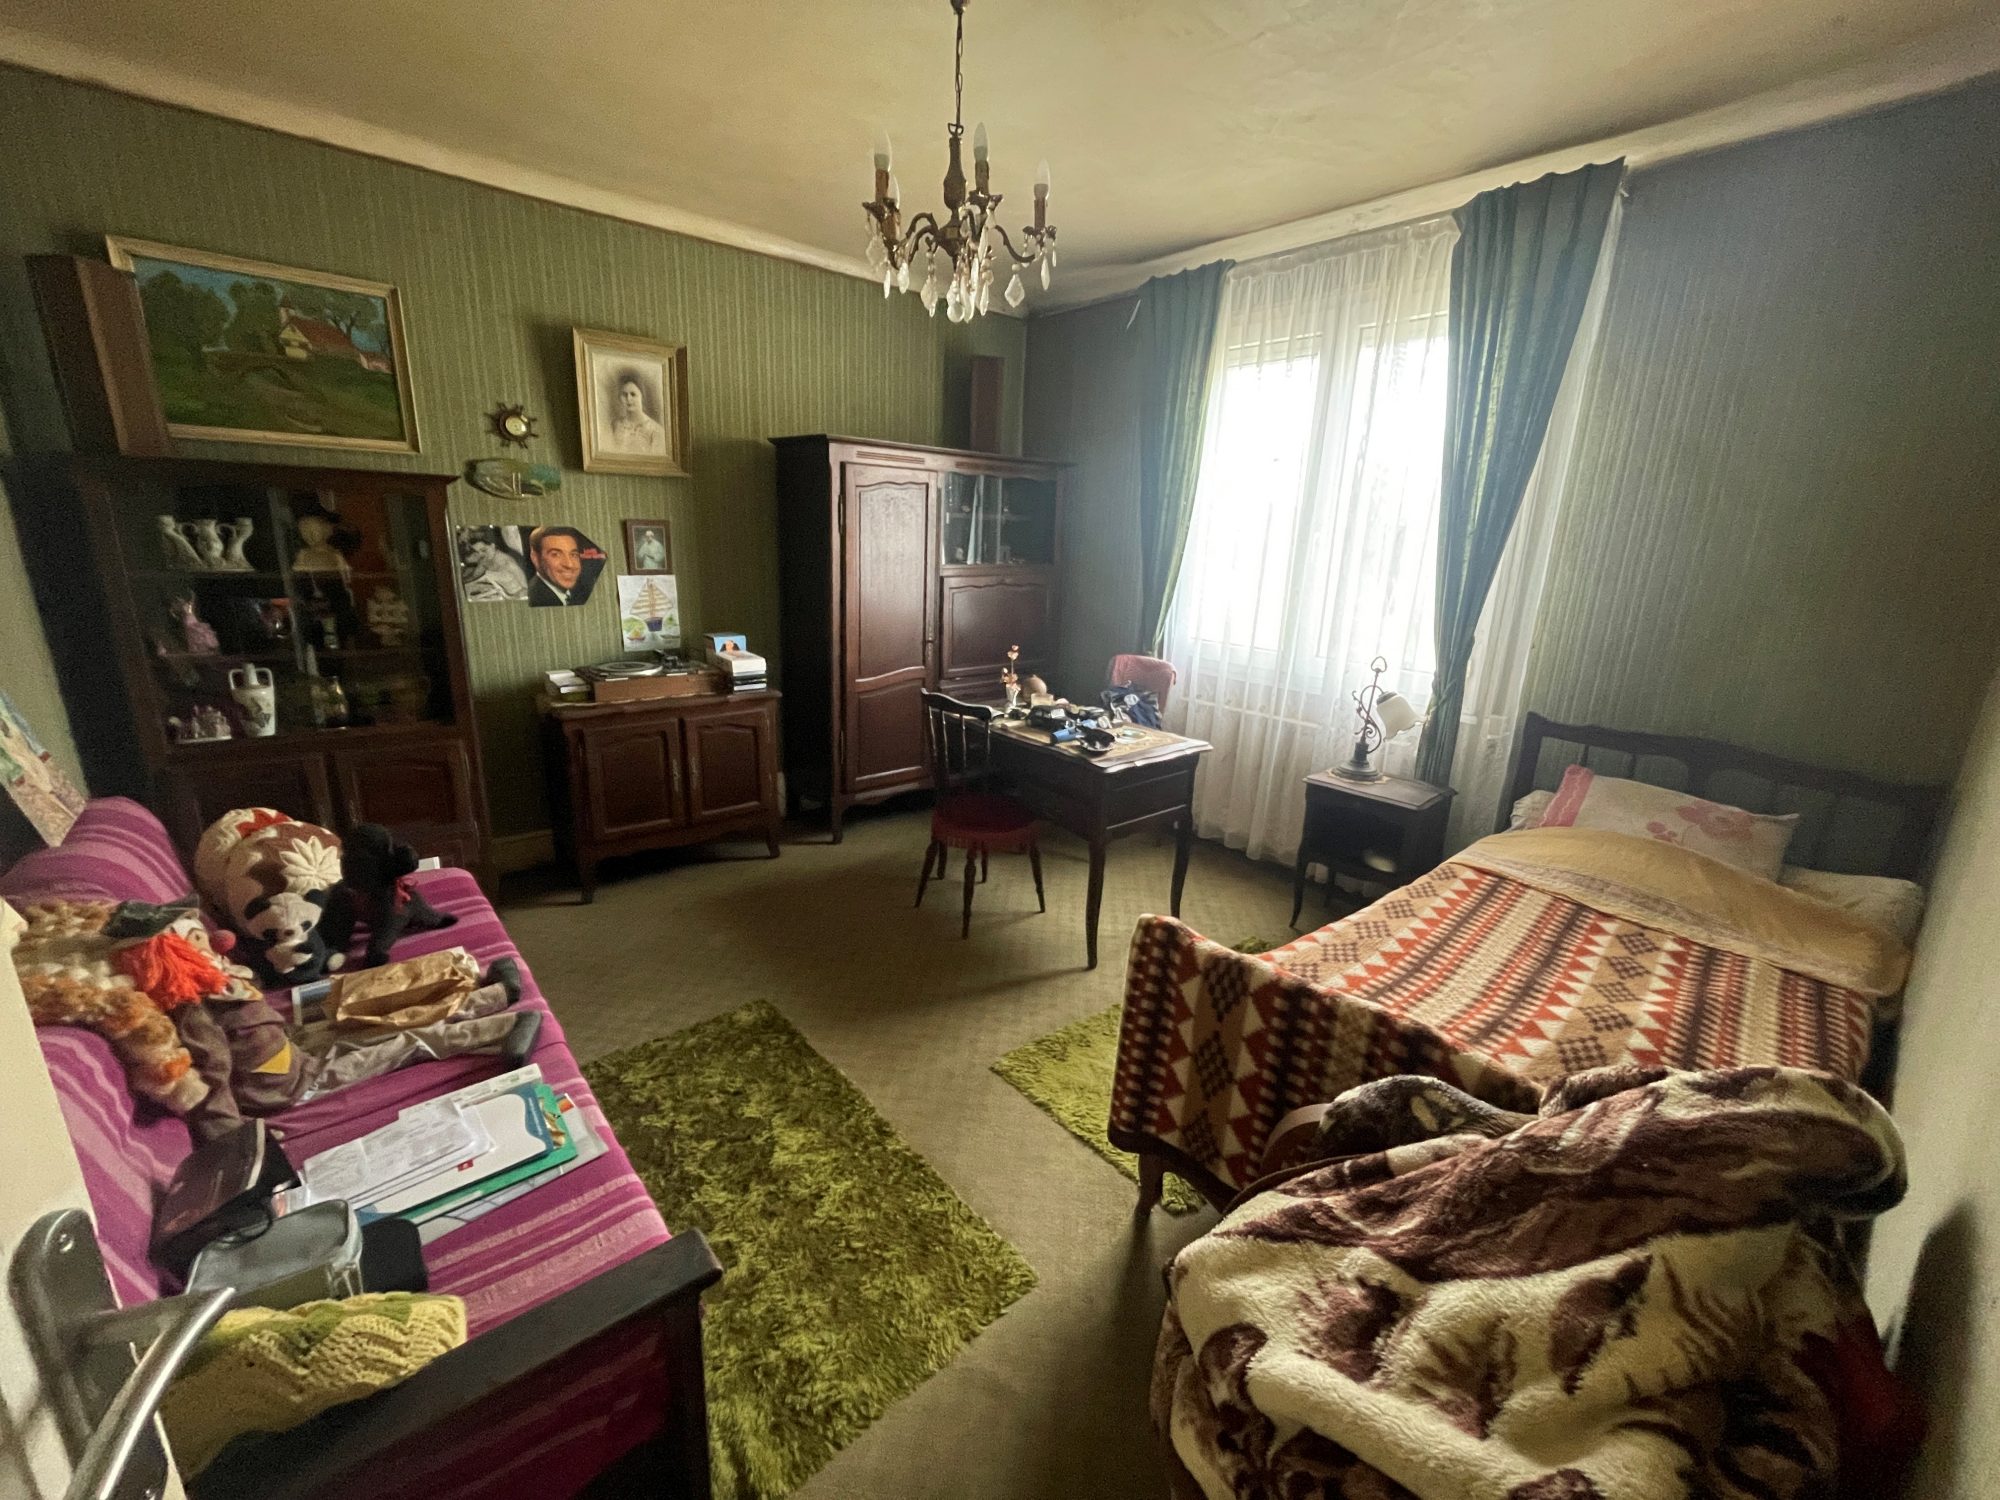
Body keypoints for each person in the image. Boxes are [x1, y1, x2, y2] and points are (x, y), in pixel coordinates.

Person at [527, 525, 592, 606]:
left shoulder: (580, 593)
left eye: (573, 555)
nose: (569, 565)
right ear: (535, 558)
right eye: (555, 554)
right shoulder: (536, 600)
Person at [459, 528, 530, 602]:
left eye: (484, 550)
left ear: (493, 546)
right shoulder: (485, 559)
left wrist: (509, 597)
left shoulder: (508, 564)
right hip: (497, 593)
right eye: (477, 552)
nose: (481, 554)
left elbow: (526, 590)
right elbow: (474, 576)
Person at [605, 369, 666, 454]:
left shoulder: (656, 431)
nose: (628, 399)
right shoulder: (614, 425)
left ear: (642, 397)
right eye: (624, 395)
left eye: (633, 394)